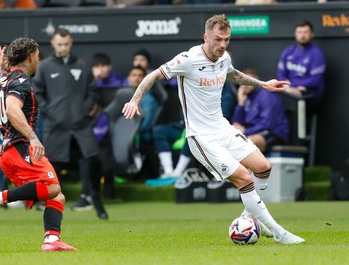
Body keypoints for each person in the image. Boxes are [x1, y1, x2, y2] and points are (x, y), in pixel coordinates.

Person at [123, 14, 305, 244]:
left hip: (222, 128)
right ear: (206, 37)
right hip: (201, 136)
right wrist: (134, 100)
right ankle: (279, 232)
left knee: (263, 168)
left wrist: (262, 84)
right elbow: (152, 76)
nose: (222, 45)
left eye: (226, 40)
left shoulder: (224, 57)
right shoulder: (187, 59)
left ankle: (250, 219)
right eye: (218, 39)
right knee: (243, 178)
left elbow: (232, 74)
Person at [0, 39, 77, 251]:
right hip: (20, 147)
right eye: (38, 57)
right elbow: (13, 110)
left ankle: (51, 239)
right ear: (31, 57)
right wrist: (33, 137)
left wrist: (0, 75)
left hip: (7, 152)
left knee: (56, 195)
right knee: (53, 187)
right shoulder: (21, 81)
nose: (38, 62)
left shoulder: (4, 79)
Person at [33, 28, 108, 220]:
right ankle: (53, 207)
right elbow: (37, 94)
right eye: (59, 44)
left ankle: (96, 201)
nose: (63, 48)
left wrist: (84, 109)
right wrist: (50, 112)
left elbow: (92, 91)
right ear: (52, 44)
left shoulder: (82, 65)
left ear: (71, 43)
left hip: (81, 124)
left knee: (93, 160)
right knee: (53, 167)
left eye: (66, 44)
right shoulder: (45, 67)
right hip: (55, 126)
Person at [232, 68, 289, 153]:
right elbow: (237, 124)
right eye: (243, 81)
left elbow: (268, 123)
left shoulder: (266, 94)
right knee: (232, 142)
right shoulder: (246, 96)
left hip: (274, 133)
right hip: (254, 132)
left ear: (256, 81)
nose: (245, 84)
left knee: (247, 142)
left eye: (249, 81)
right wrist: (241, 104)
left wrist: (246, 131)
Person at [277, 20, 326, 117]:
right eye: (299, 32)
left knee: (298, 96)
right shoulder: (288, 51)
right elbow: (280, 74)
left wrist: (293, 86)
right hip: (289, 89)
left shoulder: (317, 54)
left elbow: (315, 81)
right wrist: (289, 87)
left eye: (305, 32)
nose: (302, 35)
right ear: (295, 34)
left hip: (311, 94)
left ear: (312, 34)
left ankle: (301, 132)